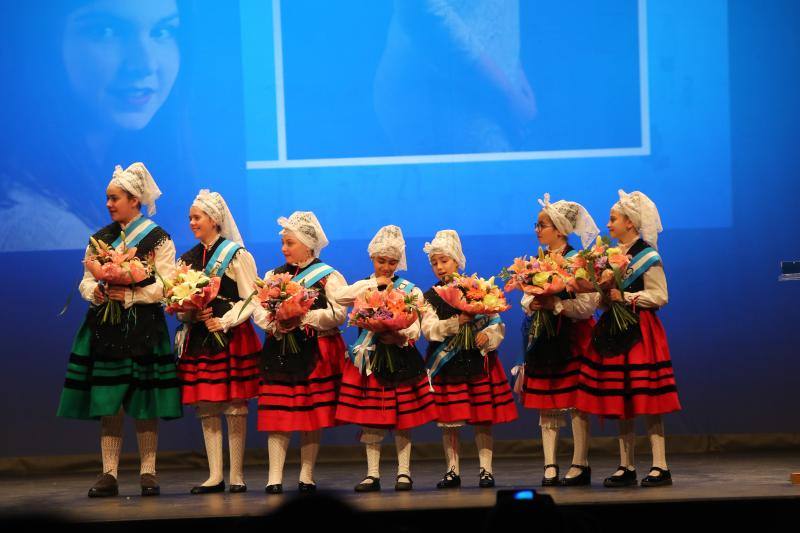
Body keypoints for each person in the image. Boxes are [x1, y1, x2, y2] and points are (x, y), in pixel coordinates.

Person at [57, 162, 181, 497]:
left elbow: (167, 286)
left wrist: (130, 294)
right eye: (108, 199)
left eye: (114, 198)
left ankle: (148, 472)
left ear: (134, 200)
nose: (109, 204)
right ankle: (108, 473)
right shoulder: (100, 238)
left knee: (144, 399)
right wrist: (95, 292)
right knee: (110, 399)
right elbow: (86, 280)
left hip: (144, 327)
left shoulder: (158, 238)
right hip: (106, 327)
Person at [575, 190, 681, 488]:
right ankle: (627, 465)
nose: (608, 224)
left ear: (630, 223)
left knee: (648, 396)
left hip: (640, 330)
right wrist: (604, 297)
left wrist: (626, 297)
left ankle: (660, 464)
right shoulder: (608, 256)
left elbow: (660, 296)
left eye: (613, 219)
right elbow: (604, 298)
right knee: (621, 395)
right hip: (614, 329)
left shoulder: (647, 255)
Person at [333, 225, 437, 492]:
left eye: (392, 262)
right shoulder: (363, 286)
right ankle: (372, 474)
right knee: (371, 418)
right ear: (372, 258)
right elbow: (338, 296)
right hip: (370, 360)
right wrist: (374, 285)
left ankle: (404, 472)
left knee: (403, 419)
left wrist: (399, 334)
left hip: (401, 358)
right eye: (382, 261)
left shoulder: (410, 290)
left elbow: (415, 326)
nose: (387, 267)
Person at [252, 211, 348, 494]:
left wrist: (303, 317)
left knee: (310, 415)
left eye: (289, 243)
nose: (284, 248)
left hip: (313, 351)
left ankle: (307, 475)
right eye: (283, 243)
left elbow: (338, 313)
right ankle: (274, 477)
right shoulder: (273, 276)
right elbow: (258, 309)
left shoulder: (328, 276)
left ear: (307, 245)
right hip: (280, 349)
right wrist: (275, 321)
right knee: (277, 415)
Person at [175, 190, 261, 494]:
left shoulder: (236, 255)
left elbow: (252, 297)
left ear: (214, 219)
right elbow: (179, 303)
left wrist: (225, 321)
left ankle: (236, 474)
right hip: (201, 338)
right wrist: (190, 313)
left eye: (197, 217)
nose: (192, 222)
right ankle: (214, 475)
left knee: (235, 405)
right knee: (207, 405)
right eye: (190, 218)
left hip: (231, 335)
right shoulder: (187, 259)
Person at [421, 229, 518, 489]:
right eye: (434, 263)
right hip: (448, 365)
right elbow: (429, 329)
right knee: (450, 421)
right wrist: (457, 322)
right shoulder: (430, 297)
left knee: (482, 418)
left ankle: (486, 470)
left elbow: (496, 322)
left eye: (444, 261)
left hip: (478, 362)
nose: (440, 267)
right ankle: (452, 470)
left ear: (457, 261)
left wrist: (488, 335)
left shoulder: (479, 289)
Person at [515, 193, 599, 486]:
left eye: (543, 225)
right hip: (544, 336)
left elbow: (588, 304)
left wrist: (557, 304)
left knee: (576, 401)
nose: (537, 230)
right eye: (536, 225)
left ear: (560, 230)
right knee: (546, 400)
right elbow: (526, 299)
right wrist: (534, 302)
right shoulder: (538, 262)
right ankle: (550, 464)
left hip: (573, 336)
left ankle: (580, 462)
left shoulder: (578, 260)